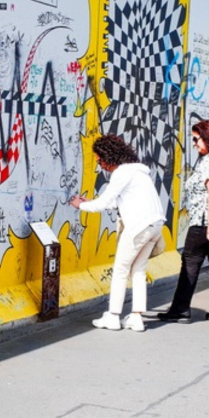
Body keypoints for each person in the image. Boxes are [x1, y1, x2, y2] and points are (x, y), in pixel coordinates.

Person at [70, 134, 165, 332]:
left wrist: (80, 205)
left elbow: (103, 203)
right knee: (138, 270)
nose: (100, 166)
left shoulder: (121, 173)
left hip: (138, 227)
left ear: (109, 156)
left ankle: (113, 316)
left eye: (100, 161)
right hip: (154, 225)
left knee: (121, 270)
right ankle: (136, 318)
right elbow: (117, 202)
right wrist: (91, 202)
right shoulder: (138, 172)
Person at [158, 119, 209, 325]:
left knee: (190, 261)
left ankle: (180, 310)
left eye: (196, 139)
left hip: (206, 221)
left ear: (208, 138)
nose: (194, 144)